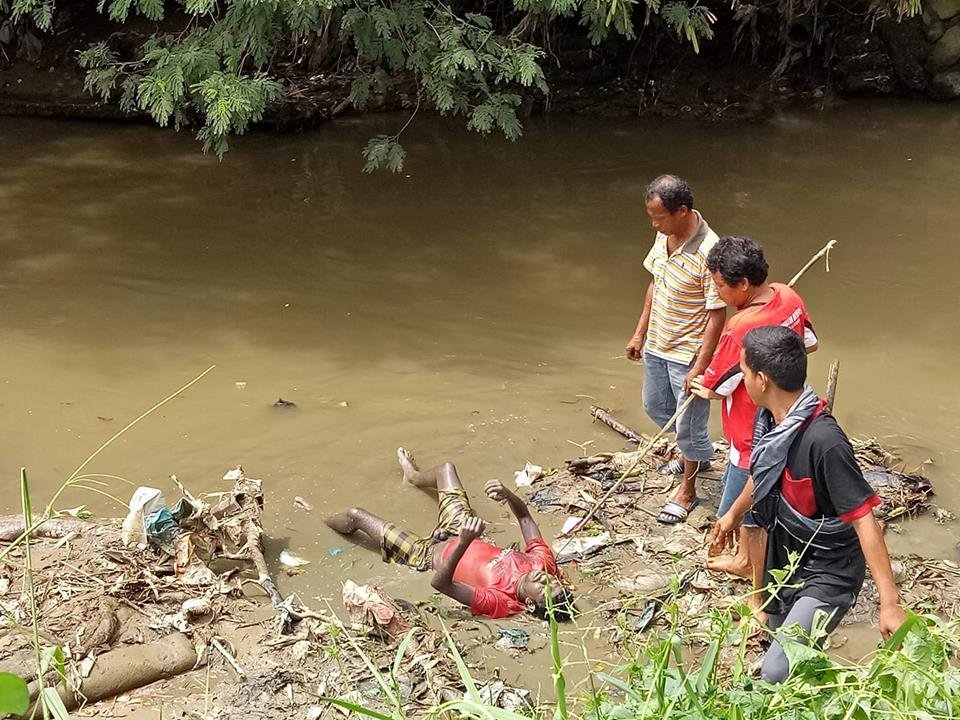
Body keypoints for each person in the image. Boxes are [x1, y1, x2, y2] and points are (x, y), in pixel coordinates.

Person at [711, 326, 905, 684]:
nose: (742, 380)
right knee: (783, 643)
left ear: (763, 379)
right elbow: (764, 474)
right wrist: (732, 515)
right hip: (786, 560)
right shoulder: (771, 420)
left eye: (743, 372)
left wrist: (889, 604)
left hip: (828, 571)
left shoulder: (824, 442)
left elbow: (864, 519)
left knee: (775, 670)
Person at [689, 236, 818, 599]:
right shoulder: (787, 295)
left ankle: (750, 566)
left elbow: (717, 385)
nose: (717, 294)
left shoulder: (741, 325)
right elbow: (809, 342)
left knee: (745, 506)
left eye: (719, 286)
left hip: (751, 427)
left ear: (743, 284)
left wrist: (703, 384)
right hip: (787, 412)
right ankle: (747, 557)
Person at [325, 448, 573, 620]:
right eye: (552, 582)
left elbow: (440, 584)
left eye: (544, 589)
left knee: (355, 515)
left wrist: (464, 542)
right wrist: (509, 495)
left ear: (529, 604)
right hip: (460, 527)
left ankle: (317, 516)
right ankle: (412, 477)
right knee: (446, 469)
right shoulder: (542, 564)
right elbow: (525, 518)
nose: (545, 579)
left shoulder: (500, 601)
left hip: (425, 553)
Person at [625, 174, 725, 525]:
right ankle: (697, 455)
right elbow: (656, 283)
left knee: (689, 425)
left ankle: (688, 491)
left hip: (687, 353)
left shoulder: (710, 251)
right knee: (655, 406)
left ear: (682, 211)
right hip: (658, 343)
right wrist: (639, 333)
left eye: (659, 217)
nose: (654, 224)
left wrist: (701, 365)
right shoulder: (664, 235)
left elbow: (717, 314)